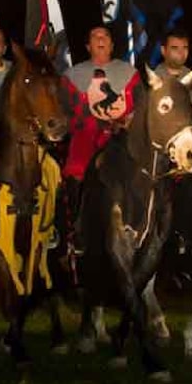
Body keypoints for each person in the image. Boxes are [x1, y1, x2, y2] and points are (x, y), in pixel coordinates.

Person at [60, 26, 139, 254]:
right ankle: (75, 234)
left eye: (106, 36)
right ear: (88, 46)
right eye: (95, 36)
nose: (101, 39)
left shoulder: (129, 74)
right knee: (76, 173)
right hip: (85, 141)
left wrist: (129, 120)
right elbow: (63, 111)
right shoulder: (72, 76)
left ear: (112, 45)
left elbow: (140, 108)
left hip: (121, 141)